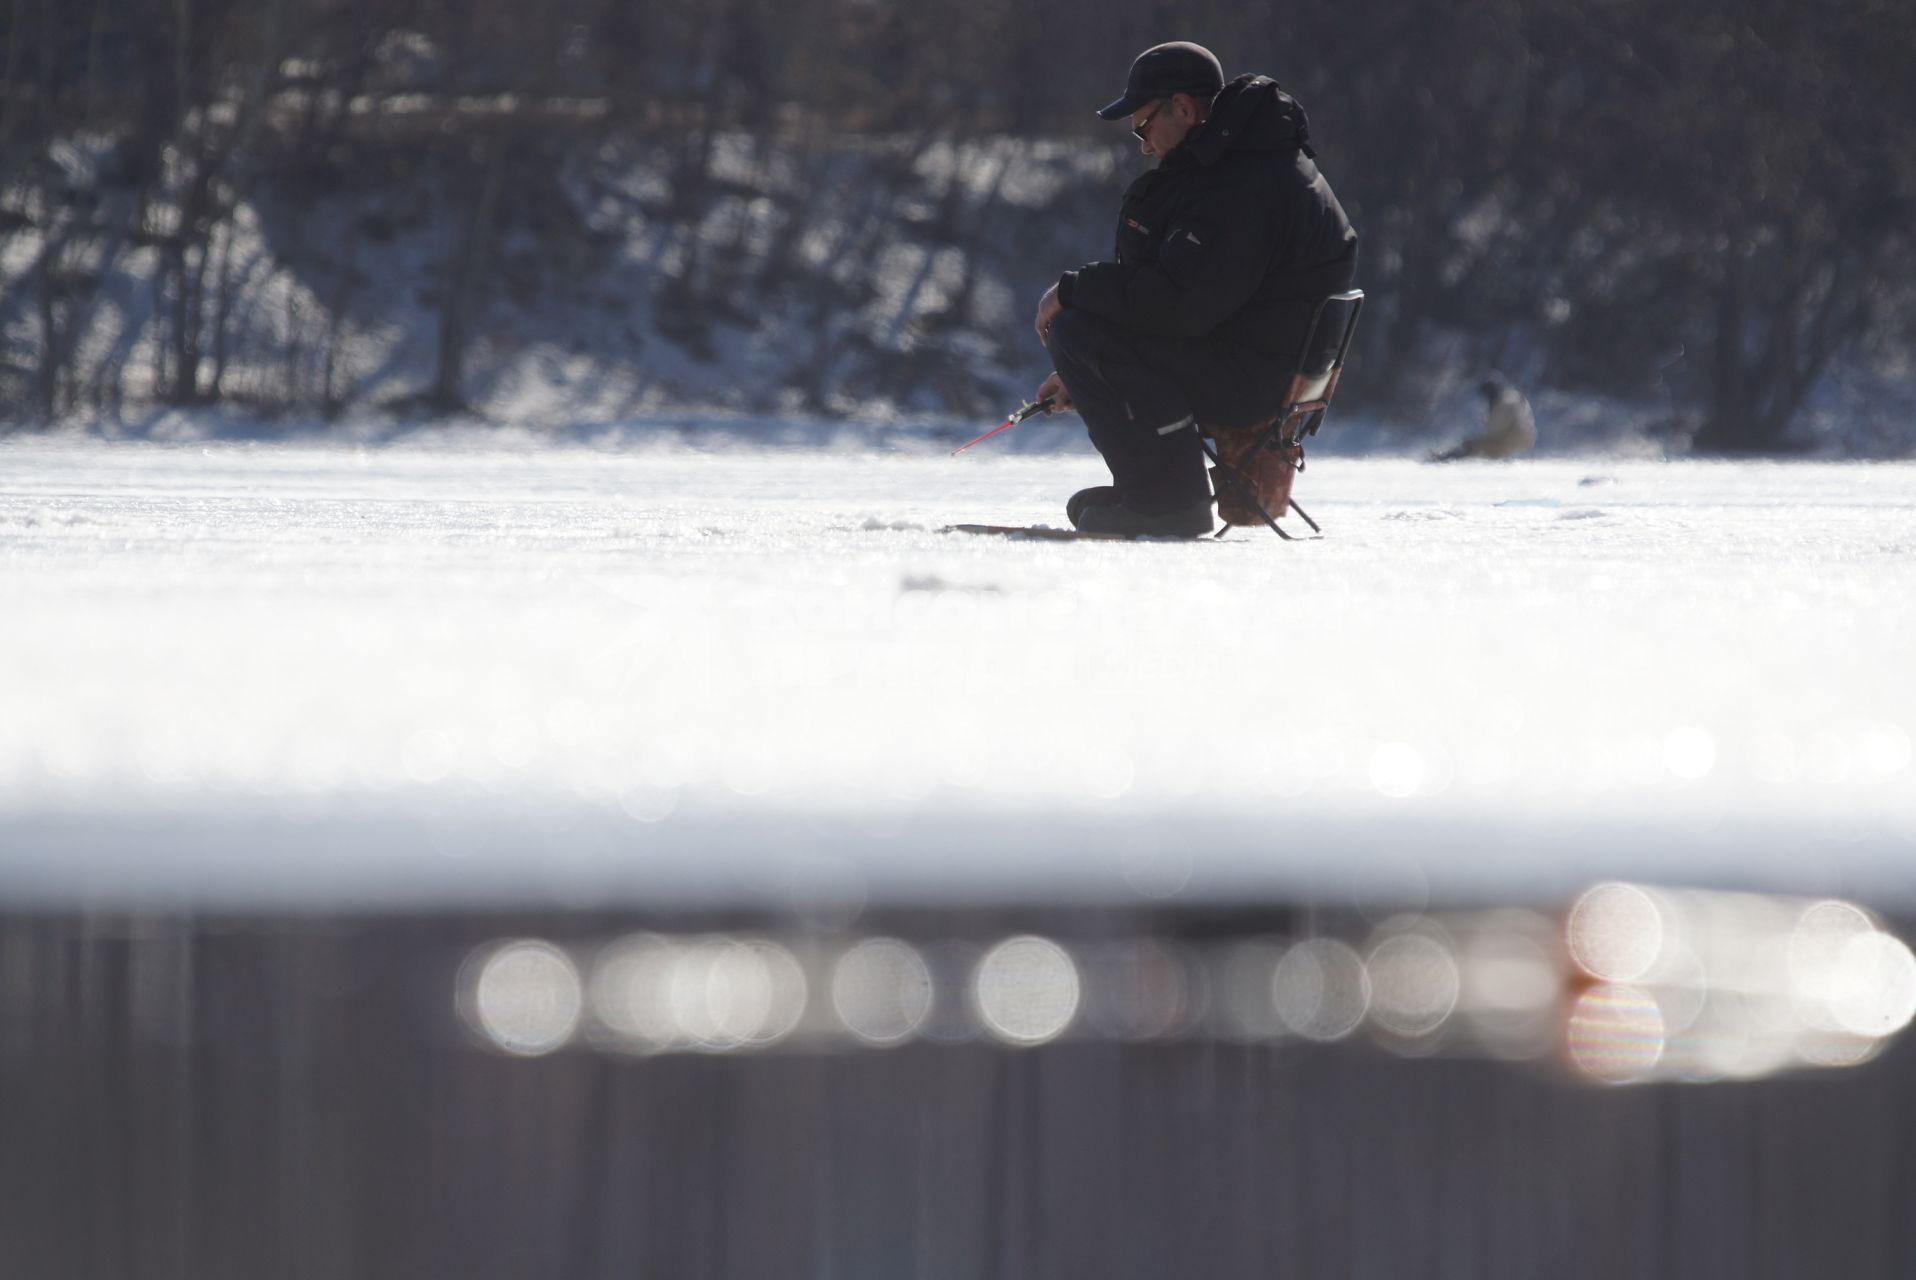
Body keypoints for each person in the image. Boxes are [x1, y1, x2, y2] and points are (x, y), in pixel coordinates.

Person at [1032, 41, 1359, 537]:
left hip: (1255, 380)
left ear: (1182, 108)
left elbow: (1178, 306)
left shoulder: (1242, 185)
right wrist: (1086, 374)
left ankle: (1166, 504)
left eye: (1143, 125)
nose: (1143, 144)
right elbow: (1197, 300)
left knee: (1076, 328)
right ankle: (1155, 491)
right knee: (1085, 336)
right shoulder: (1258, 162)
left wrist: (1071, 290)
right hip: (1269, 367)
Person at [1430, 374, 1537, 460]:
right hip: (1519, 437)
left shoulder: (1505, 402)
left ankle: (1446, 459)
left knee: (1472, 445)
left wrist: (1479, 435)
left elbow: (1494, 429)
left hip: (1513, 439)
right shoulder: (1511, 397)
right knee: (1481, 446)